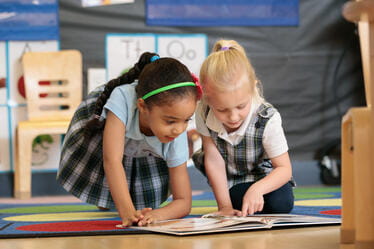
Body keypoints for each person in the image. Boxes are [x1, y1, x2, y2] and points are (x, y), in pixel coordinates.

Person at [57, 52, 202, 227]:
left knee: (142, 201)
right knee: (111, 160)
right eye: (170, 121)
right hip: (102, 137)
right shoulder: (122, 98)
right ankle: (108, 197)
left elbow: (184, 201)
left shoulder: (175, 134)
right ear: (142, 107)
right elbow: (111, 160)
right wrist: (127, 213)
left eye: (187, 119)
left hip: (145, 151)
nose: (179, 129)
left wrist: (158, 215)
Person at [192, 40, 295, 217]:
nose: (233, 117)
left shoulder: (268, 118)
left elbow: (284, 169)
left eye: (241, 106)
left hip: (266, 177)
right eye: (222, 110)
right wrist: (224, 206)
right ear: (207, 99)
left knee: (281, 203)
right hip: (232, 182)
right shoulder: (203, 112)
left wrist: (257, 189)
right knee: (235, 201)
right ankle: (240, 199)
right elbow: (213, 161)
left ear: (253, 89)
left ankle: (253, 196)